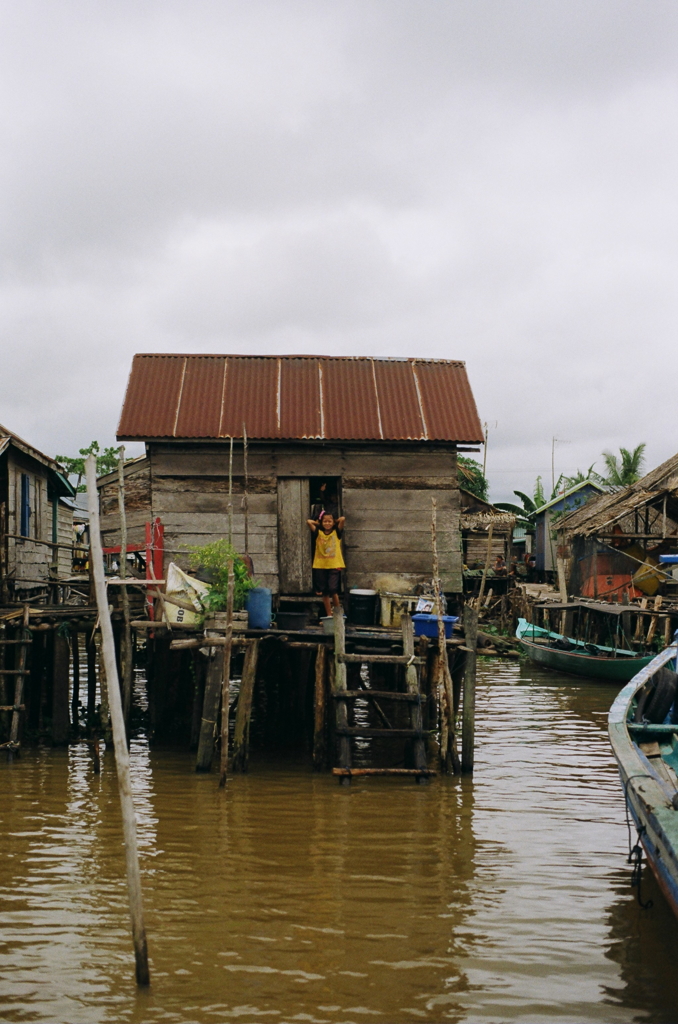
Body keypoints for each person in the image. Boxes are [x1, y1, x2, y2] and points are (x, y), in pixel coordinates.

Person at [307, 510, 346, 616]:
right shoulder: (318, 532)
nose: (327, 523)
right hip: (320, 565)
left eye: (330, 521)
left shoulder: (336, 532)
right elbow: (309, 522)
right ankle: (329, 615)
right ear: (321, 522)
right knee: (324, 592)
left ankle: (338, 613)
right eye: (325, 521)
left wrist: (336, 520)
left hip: (334, 564)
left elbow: (342, 519)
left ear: (333, 522)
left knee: (333, 589)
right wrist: (318, 523)